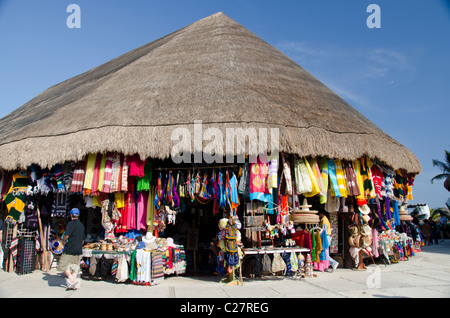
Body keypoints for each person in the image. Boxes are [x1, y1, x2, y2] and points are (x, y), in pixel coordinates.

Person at [58, 208, 85, 290]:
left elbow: (66, 235)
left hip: (70, 249)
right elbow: (83, 240)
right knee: (75, 267)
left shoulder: (70, 224)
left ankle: (72, 281)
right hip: (79, 250)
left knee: (62, 265)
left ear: (71, 215)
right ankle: (73, 283)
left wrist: (63, 241)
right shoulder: (81, 225)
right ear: (78, 215)